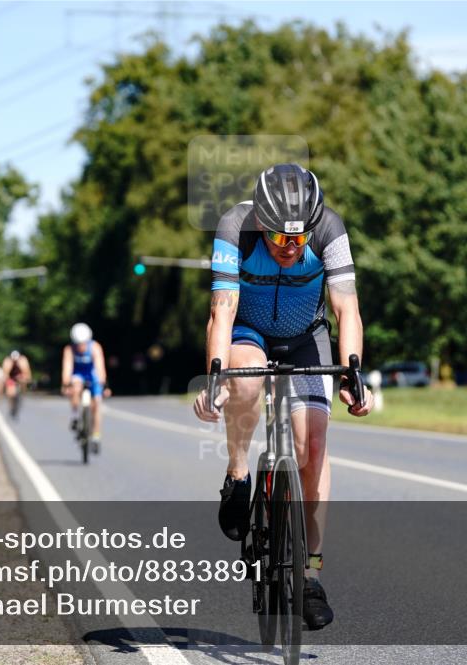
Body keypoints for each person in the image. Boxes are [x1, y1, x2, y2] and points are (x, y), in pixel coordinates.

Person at [192, 163, 374, 630]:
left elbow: (346, 307)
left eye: (299, 238)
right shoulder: (235, 227)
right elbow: (222, 310)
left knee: (313, 444)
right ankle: (238, 473)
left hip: (306, 336)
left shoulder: (330, 228)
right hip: (249, 332)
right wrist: (215, 379)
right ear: (261, 223)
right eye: (278, 238)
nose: (290, 247)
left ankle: (310, 575)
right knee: (246, 381)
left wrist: (353, 374)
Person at [61, 323, 109, 452]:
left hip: (92, 375)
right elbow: (67, 368)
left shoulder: (95, 347)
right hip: (78, 374)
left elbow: (100, 367)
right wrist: (66, 384)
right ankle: (75, 416)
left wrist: (103, 384)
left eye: (83, 343)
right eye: (78, 343)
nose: (81, 346)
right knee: (75, 388)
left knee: (97, 403)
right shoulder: (69, 349)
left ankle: (96, 436)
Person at [2, 350, 32, 419]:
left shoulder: (23, 361)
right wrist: (6, 380)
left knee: (23, 384)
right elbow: (5, 373)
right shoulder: (8, 361)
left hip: (20, 378)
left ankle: (22, 394)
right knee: (10, 393)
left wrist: (27, 379)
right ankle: (11, 405)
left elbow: (26, 371)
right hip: (11, 378)